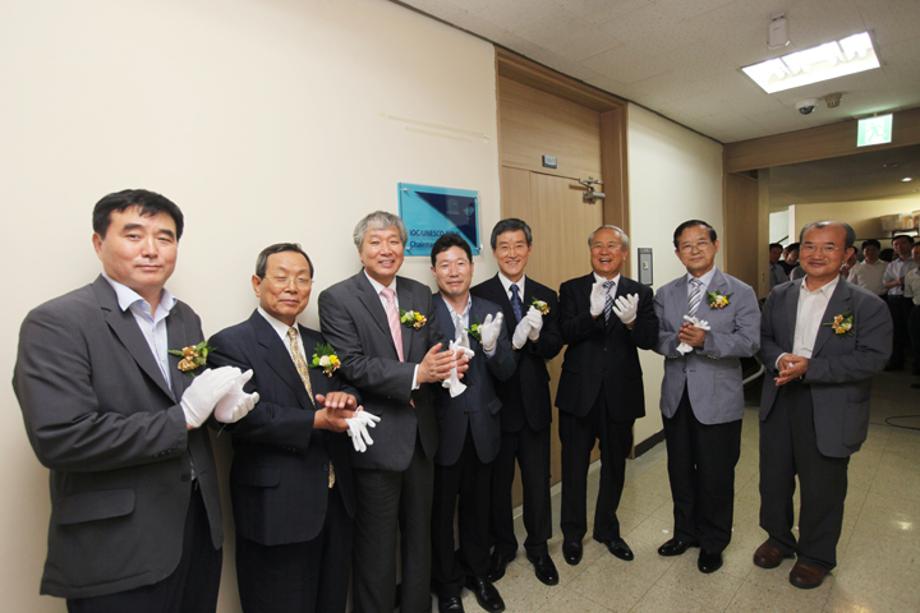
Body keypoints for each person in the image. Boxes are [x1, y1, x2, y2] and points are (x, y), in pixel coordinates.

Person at [13, 189, 257, 612]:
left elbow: (189, 407)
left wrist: (220, 415)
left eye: (165, 238)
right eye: (133, 235)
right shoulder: (57, 322)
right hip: (116, 545)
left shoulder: (185, 318)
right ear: (98, 243)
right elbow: (60, 438)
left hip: (197, 533)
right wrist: (182, 417)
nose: (151, 250)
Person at [318, 211, 466, 613]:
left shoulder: (419, 294)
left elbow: (434, 345)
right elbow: (350, 362)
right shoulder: (337, 298)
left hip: (422, 436)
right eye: (376, 242)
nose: (386, 250)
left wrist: (449, 363)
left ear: (404, 247)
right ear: (360, 249)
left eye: (394, 242)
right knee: (376, 547)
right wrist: (418, 373)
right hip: (377, 441)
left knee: (420, 538)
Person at [208, 243, 367, 613]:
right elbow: (243, 418)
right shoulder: (229, 344)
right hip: (275, 504)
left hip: (334, 498)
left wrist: (347, 399)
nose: (292, 287)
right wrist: (315, 420)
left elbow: (345, 384)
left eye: (302, 279)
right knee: (278, 600)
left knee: (331, 597)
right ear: (257, 283)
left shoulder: (318, 341)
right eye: (281, 277)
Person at [755, 221, 892, 589]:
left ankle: (815, 556)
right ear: (798, 250)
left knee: (823, 486)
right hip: (781, 398)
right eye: (809, 246)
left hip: (831, 405)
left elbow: (873, 358)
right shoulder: (780, 295)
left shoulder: (867, 305)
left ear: (847, 254)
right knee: (774, 479)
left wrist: (812, 367)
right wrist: (780, 357)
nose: (816, 254)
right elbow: (763, 340)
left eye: (828, 247)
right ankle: (778, 539)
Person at [653, 220, 760, 574]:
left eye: (701, 242)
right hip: (676, 398)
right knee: (679, 471)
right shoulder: (666, 293)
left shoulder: (739, 291)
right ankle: (684, 532)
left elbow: (750, 342)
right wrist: (680, 342)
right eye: (686, 245)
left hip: (718, 400)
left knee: (716, 475)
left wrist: (708, 341)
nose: (694, 249)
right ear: (677, 252)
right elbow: (658, 338)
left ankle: (714, 542)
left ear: (715, 245)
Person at [555, 225, 658, 566]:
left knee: (615, 466)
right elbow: (564, 333)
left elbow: (648, 339)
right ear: (590, 251)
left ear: (624, 253)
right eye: (597, 245)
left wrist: (630, 324)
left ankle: (607, 528)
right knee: (573, 467)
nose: (604, 251)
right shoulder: (571, 289)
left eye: (612, 246)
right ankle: (572, 533)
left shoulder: (640, 291)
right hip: (578, 393)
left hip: (620, 393)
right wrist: (592, 314)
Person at [471, 219, 563, 587]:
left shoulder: (545, 294)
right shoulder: (478, 294)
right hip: (494, 406)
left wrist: (537, 337)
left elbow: (554, 345)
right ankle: (503, 547)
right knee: (498, 484)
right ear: (495, 251)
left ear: (529, 249)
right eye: (504, 246)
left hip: (534, 404)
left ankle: (539, 547)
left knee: (538, 481)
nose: (512, 253)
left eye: (519, 245)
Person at [428, 233, 516, 613]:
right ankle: (447, 585)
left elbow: (508, 371)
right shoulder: (423, 311)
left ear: (472, 266)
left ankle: (477, 574)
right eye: (444, 264)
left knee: (479, 507)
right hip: (441, 428)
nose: (453, 271)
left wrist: (494, 348)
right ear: (433, 271)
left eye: (460, 263)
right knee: (441, 511)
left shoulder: (489, 308)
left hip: (483, 425)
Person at [882, 235, 917, 370]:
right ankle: (897, 362)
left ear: (911, 244)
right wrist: (899, 282)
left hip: (912, 300)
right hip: (895, 300)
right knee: (896, 331)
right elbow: (885, 283)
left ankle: (916, 364)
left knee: (913, 333)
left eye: (903, 243)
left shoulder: (916, 262)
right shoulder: (892, 265)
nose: (900, 247)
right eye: (896, 245)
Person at [903, 243, 920, 385]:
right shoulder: (911, 274)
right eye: (916, 253)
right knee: (917, 344)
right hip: (917, 310)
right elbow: (908, 295)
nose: (918, 256)